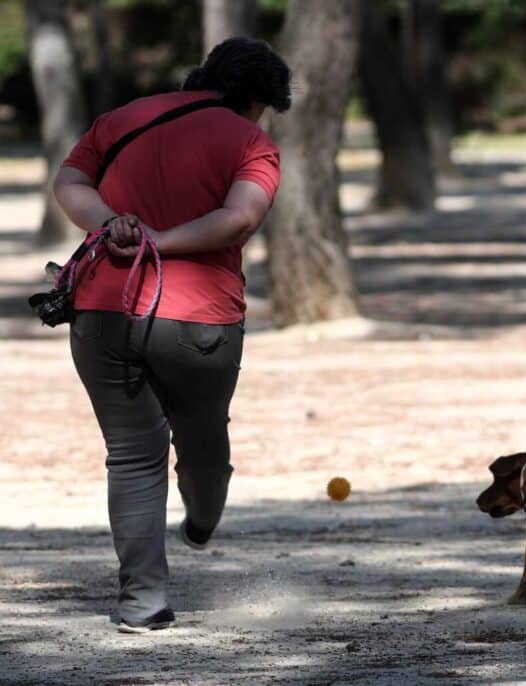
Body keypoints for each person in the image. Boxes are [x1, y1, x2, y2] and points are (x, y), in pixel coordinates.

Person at [53, 37, 291, 633]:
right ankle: (203, 517)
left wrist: (117, 228)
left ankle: (143, 603)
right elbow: (238, 219)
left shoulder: (123, 119)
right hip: (199, 319)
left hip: (101, 308)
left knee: (132, 457)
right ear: (257, 99)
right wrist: (161, 239)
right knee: (204, 439)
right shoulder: (251, 142)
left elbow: (69, 182)